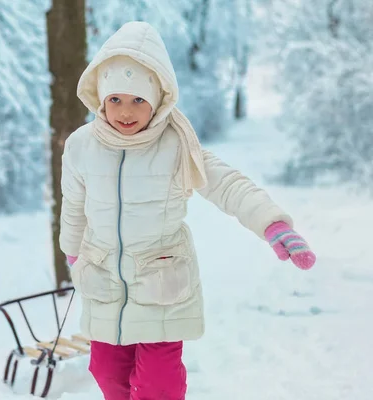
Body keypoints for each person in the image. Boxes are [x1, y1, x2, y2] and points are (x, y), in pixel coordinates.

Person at [59, 21, 316, 400]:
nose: (125, 112)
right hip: (105, 284)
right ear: (100, 97)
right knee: (107, 373)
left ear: (156, 99)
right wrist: (73, 251)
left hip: (160, 282)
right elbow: (74, 203)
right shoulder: (82, 145)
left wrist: (273, 224)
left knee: (157, 386)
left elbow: (227, 184)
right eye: (115, 99)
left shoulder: (176, 144)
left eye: (137, 100)